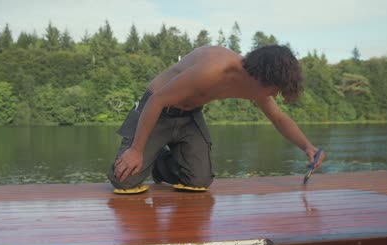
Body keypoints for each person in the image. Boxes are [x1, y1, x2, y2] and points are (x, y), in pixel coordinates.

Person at [107, 45, 325, 192]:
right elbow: (156, 101)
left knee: (199, 180)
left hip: (189, 116)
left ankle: (157, 163)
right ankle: (145, 154)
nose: (273, 96)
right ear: (259, 76)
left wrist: (307, 147)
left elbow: (279, 119)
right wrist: (136, 150)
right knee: (124, 182)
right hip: (157, 110)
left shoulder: (258, 84)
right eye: (273, 89)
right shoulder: (213, 70)